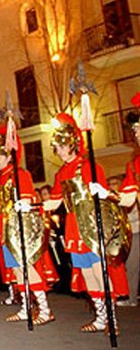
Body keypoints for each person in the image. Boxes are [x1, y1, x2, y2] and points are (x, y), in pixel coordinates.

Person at [44, 113, 135, 333]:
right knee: (87, 273)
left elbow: (106, 199)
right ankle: (101, 317)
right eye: (56, 147)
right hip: (74, 226)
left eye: (60, 146)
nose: (57, 151)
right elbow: (55, 201)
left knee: (98, 270)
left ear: (71, 145)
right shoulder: (61, 173)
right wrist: (29, 207)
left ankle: (111, 318)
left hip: (93, 224)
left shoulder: (89, 166)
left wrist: (102, 193)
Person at [119, 97, 140, 307]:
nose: (137, 134)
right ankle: (131, 297)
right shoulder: (134, 165)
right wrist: (105, 195)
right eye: (135, 131)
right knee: (133, 262)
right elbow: (127, 199)